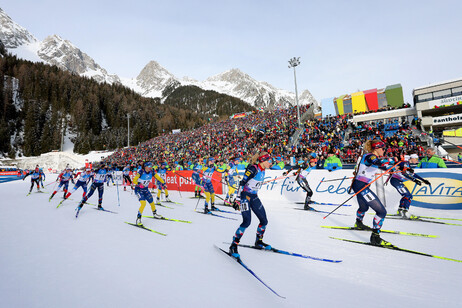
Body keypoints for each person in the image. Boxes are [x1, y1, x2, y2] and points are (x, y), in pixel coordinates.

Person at [228, 152, 273, 258]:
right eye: (269, 161)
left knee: (264, 220)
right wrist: (237, 199)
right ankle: (233, 245)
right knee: (247, 221)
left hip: (254, 197)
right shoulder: (253, 169)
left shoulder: (263, 170)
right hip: (245, 197)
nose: (271, 163)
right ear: (263, 160)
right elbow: (242, 183)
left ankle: (259, 242)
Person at [351, 140, 395, 246]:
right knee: (381, 212)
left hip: (360, 185)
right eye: (383, 148)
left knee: (364, 208)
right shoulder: (369, 156)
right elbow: (377, 162)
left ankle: (358, 223)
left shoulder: (373, 158)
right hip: (361, 186)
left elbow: (384, 167)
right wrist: (392, 160)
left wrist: (396, 167)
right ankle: (375, 237)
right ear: (377, 148)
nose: (384, 150)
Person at [387, 153, 430, 218]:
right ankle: (405, 212)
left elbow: (413, 174)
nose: (417, 160)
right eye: (416, 159)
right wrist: (414, 180)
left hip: (397, 181)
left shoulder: (407, 164)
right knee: (408, 196)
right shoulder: (404, 163)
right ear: (412, 158)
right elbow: (404, 173)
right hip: (396, 180)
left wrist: (423, 180)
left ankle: (400, 210)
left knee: (406, 195)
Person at [133, 162, 162, 226]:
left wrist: (163, 183)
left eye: (151, 166)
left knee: (151, 201)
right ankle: (138, 218)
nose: (150, 167)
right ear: (145, 167)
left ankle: (155, 214)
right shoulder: (141, 172)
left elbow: (158, 178)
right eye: (149, 166)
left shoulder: (152, 172)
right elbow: (134, 180)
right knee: (143, 203)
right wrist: (139, 184)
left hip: (145, 189)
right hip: (138, 190)